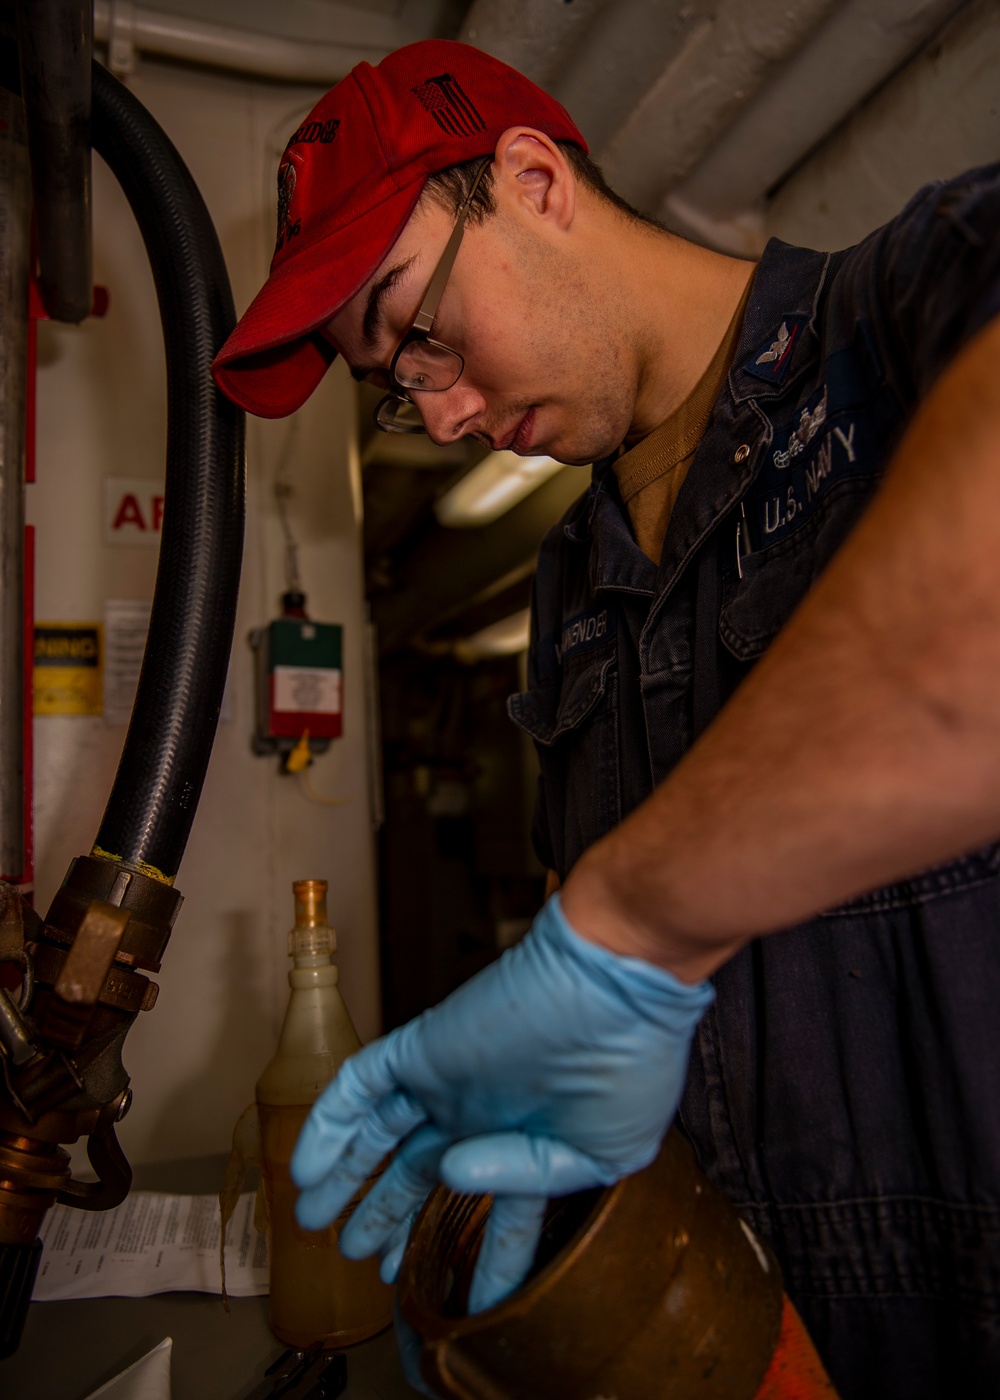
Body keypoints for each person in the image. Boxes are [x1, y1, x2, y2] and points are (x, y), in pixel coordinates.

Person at [212, 38, 1000, 1400]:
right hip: (746, 1339)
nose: (440, 413)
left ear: (532, 180)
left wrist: (623, 929)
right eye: (394, 386)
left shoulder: (909, 300)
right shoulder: (572, 579)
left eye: (422, 330)